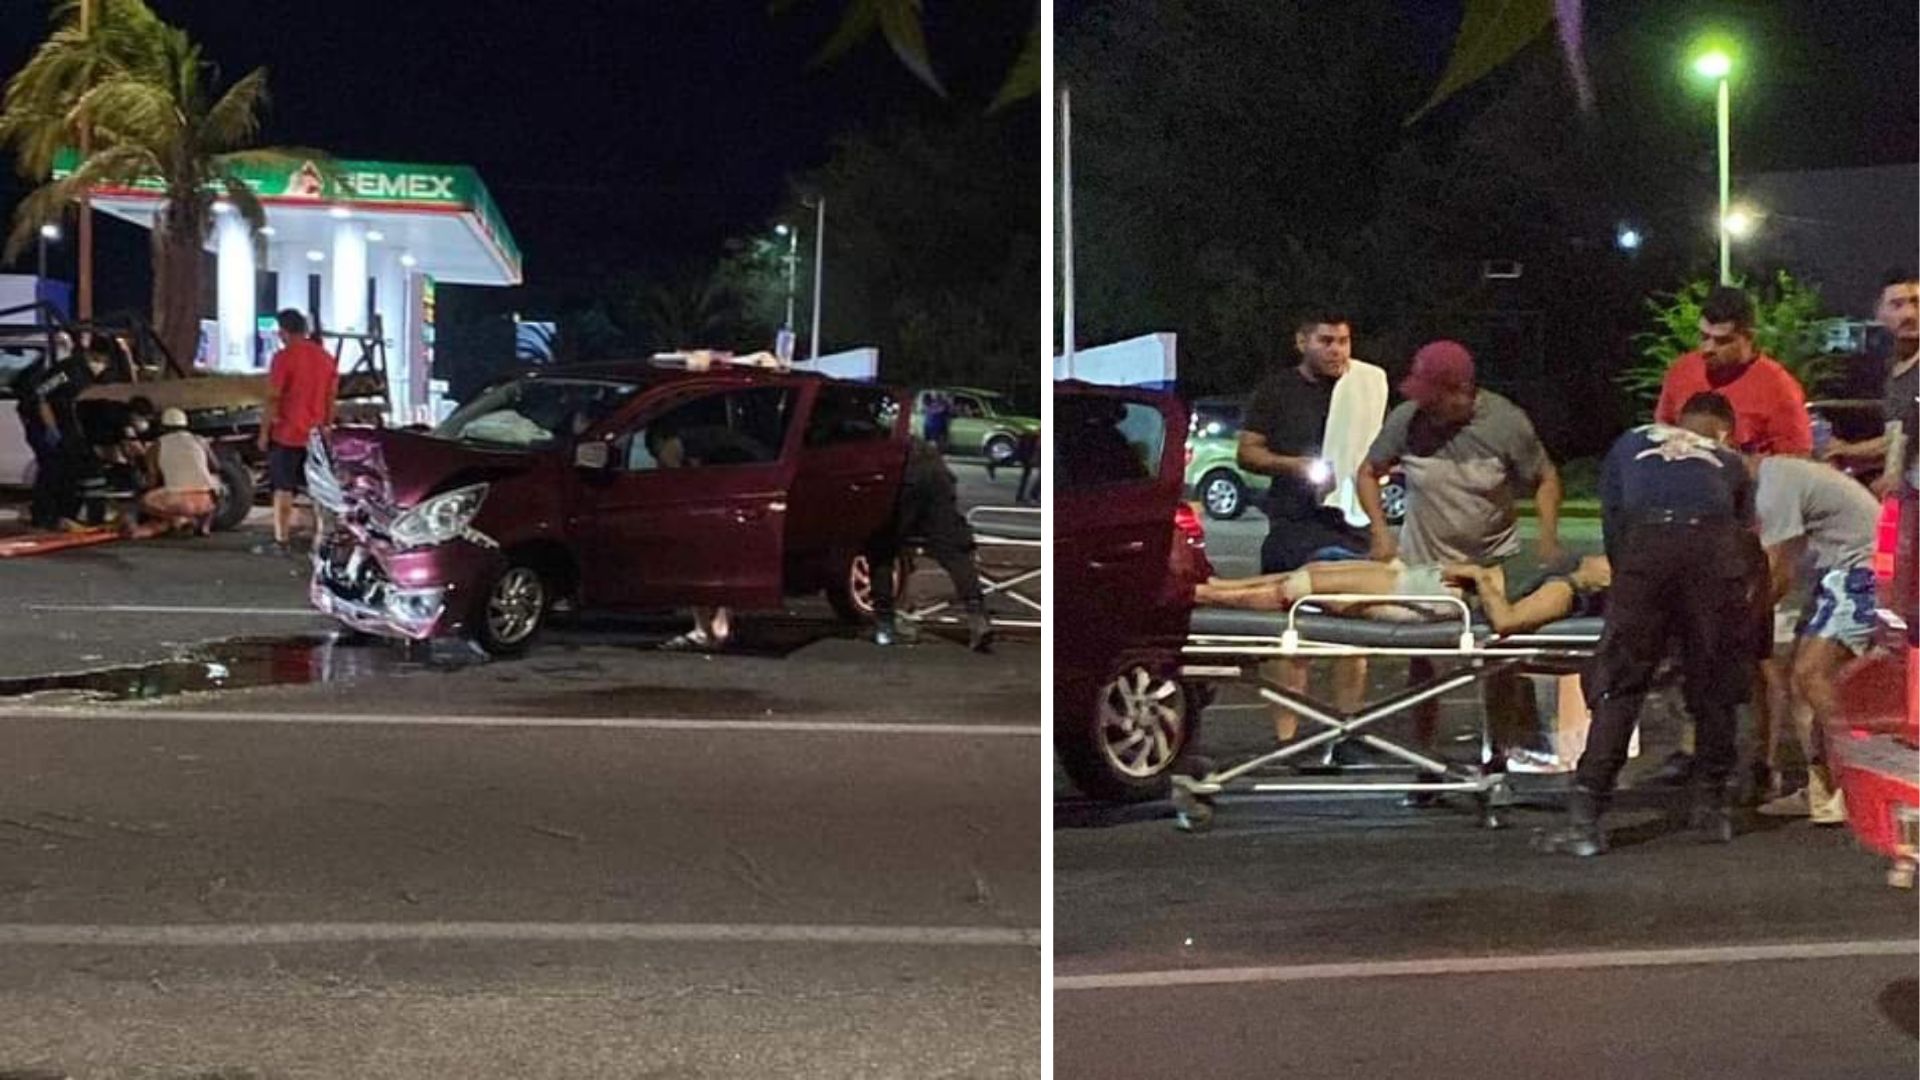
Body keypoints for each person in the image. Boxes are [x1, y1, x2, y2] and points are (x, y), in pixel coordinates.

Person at [1541, 392, 1759, 857]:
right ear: (1723, 429)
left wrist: (1632, 587)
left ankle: (1587, 817)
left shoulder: (1630, 441)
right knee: (1713, 681)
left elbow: (1613, 520)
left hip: (1646, 545)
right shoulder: (1731, 460)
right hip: (1711, 550)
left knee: (1621, 682)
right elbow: (1741, 534)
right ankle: (1711, 807)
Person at [1357, 340, 1562, 776]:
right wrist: (1379, 532)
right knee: (1424, 661)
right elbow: (1368, 472)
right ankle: (1425, 759)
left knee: (1498, 659)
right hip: (1426, 560)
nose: (1425, 407)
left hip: (1489, 561)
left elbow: (1545, 477)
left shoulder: (1505, 423)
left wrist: (1547, 538)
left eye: (1434, 398)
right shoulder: (1407, 421)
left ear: (1462, 391)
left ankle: (1498, 756)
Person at [1237, 311, 1389, 743]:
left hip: (1348, 525)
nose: (1337, 350)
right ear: (1302, 342)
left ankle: (1348, 732)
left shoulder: (1362, 388)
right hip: (1293, 524)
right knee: (1293, 637)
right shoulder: (1277, 390)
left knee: (1353, 635)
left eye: (1344, 341)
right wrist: (1295, 466)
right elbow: (1247, 453)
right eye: (1326, 341)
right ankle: (1287, 739)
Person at [1747, 454, 1885, 824]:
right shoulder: (1783, 476)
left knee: (1811, 676)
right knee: (1801, 683)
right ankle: (1825, 789)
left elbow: (1780, 568)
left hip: (1860, 571)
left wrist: (1745, 620)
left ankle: (1867, 774)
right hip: (1840, 574)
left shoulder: (1773, 482)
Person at [1653, 285, 1814, 457]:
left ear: (1749, 337)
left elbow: (1797, 457)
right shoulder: (1682, 370)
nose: (1708, 349)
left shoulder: (1780, 387)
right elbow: (1662, 429)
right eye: (1704, 337)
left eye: (1722, 341)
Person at [867, 437, 993, 653]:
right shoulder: (922, 449)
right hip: (934, 473)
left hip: (905, 474)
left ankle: (885, 623)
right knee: (954, 551)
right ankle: (977, 616)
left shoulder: (878, 435)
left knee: (881, 548)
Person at [255, 309, 338, 557]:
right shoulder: (326, 358)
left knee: (283, 488)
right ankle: (321, 541)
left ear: (284, 331)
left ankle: (281, 541)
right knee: (318, 490)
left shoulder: (284, 357)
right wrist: (327, 427)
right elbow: (331, 398)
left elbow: (273, 397)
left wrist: (263, 431)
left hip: (287, 433)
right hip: (316, 436)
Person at [124, 407, 219, 539]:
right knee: (215, 483)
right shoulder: (200, 440)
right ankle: (205, 526)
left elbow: (152, 479)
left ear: (163, 427)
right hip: (206, 502)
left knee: (144, 502)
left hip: (178, 500)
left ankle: (179, 519)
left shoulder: (157, 445)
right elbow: (216, 466)